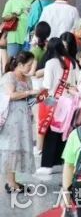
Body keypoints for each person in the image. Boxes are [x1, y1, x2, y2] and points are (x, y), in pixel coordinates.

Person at [0, 51, 36, 194]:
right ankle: (10, 183)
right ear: (20, 64)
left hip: (23, 118)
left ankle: (13, 181)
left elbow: (29, 98)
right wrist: (29, 93)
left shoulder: (27, 78)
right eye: (29, 65)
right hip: (11, 118)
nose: (30, 68)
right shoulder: (9, 76)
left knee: (17, 148)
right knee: (11, 149)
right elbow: (11, 95)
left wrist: (38, 96)